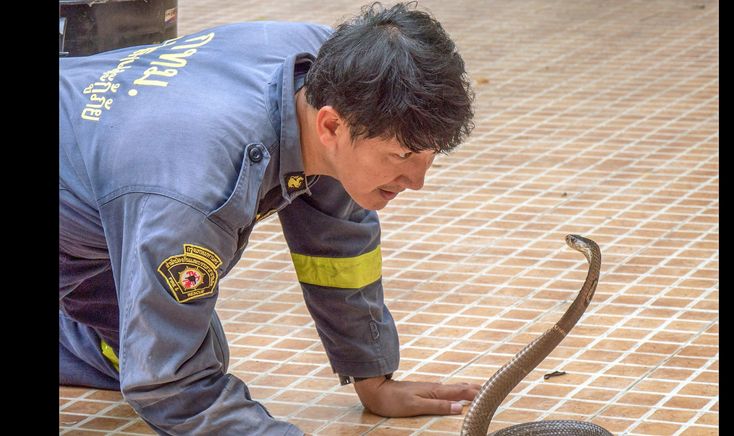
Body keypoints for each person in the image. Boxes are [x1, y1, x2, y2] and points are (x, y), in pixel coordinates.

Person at [59, 2, 479, 434]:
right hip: (118, 196)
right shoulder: (194, 187)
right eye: (402, 155)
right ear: (330, 127)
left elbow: (337, 244)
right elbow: (170, 384)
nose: (417, 180)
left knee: (170, 343)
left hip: (101, 189)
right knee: (174, 358)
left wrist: (373, 377)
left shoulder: (337, 72)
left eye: (427, 156)